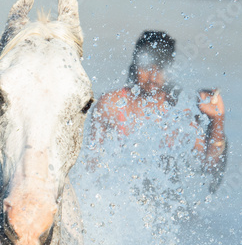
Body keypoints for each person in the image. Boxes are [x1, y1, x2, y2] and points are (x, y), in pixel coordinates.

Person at [89, 30, 227, 192]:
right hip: (122, 197)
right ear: (135, 64)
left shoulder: (178, 110)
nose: (153, 76)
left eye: (161, 68)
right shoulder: (111, 105)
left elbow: (209, 166)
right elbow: (92, 166)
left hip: (167, 201)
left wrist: (217, 119)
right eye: (146, 66)